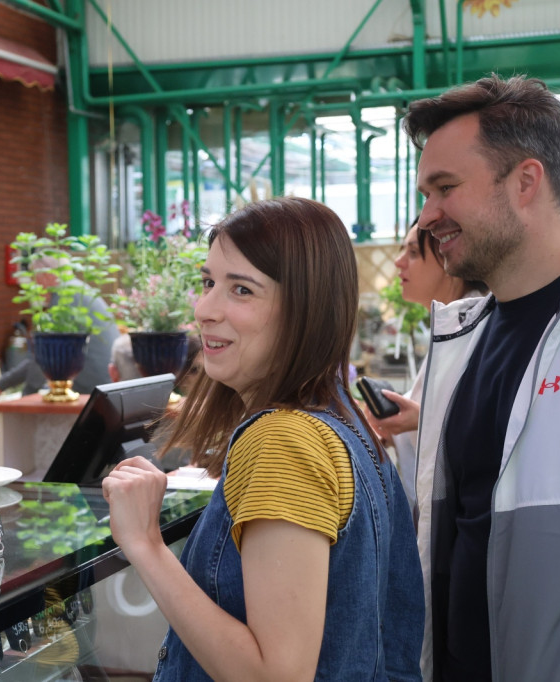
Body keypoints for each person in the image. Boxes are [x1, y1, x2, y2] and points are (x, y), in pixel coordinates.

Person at [101, 197, 424, 680]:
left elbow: (275, 674)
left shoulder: (281, 440)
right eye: (209, 282)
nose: (205, 310)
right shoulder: (341, 417)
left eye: (242, 290)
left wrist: (145, 543)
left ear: (306, 310)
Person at [404, 74, 560, 681]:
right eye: (424, 192)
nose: (428, 214)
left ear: (525, 181)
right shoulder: (466, 335)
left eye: (445, 189)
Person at [364, 222, 486, 512]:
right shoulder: (450, 326)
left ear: (449, 257)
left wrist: (423, 419)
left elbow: (490, 430)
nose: (398, 261)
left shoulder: (475, 330)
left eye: (414, 252)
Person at [0, 254, 119, 399]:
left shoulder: (64, 298)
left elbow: (44, 359)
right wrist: (1, 384)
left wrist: (24, 398)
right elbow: (42, 358)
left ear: (47, 275)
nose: (36, 286)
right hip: (107, 383)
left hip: (92, 388)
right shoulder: (77, 290)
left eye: (35, 279)